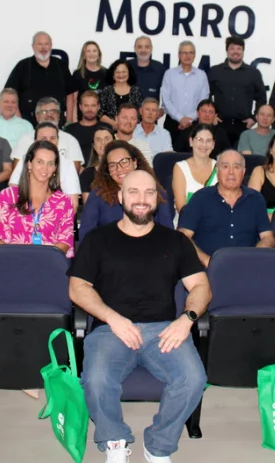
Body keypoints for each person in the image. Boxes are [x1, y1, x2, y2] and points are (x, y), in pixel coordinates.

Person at [69, 170, 211, 463]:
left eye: (149, 193)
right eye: (133, 192)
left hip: (164, 329)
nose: (141, 200)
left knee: (194, 379)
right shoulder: (97, 240)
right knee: (95, 380)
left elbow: (201, 287)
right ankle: (114, 440)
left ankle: (158, 446)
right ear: (120, 197)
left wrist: (187, 319)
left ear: (156, 199)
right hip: (112, 329)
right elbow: (78, 288)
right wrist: (113, 318)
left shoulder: (175, 241)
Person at [178, 150, 274, 266]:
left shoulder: (256, 199)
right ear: (217, 171)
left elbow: (268, 237)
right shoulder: (200, 198)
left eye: (237, 167)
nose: (231, 172)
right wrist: (206, 260)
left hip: (247, 265)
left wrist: (254, 256)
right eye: (225, 166)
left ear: (243, 172)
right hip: (207, 267)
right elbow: (183, 235)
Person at [0, 141, 75, 257]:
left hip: (48, 265)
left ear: (55, 168)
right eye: (40, 162)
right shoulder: (7, 196)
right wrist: (22, 261)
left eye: (50, 163)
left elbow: (64, 244)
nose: (45, 168)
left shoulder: (64, 202)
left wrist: (38, 262)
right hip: (10, 263)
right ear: (29, 164)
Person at [78, 141, 174, 243]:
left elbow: (168, 234)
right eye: (112, 165)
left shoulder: (156, 193)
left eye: (124, 162)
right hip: (109, 254)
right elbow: (86, 237)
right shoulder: (97, 196)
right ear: (108, 171)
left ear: (135, 163)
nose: (119, 169)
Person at [9, 122, 81, 213]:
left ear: (58, 140)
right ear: (35, 141)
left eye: (53, 138)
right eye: (43, 138)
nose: (48, 142)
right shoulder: (26, 159)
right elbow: (12, 193)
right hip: (24, 214)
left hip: (56, 217)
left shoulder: (67, 164)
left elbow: (73, 204)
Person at [5, 31, 75, 124]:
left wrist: (69, 121)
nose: (43, 47)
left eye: (46, 44)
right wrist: (20, 122)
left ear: (51, 46)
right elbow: (10, 94)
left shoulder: (61, 65)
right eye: (39, 44)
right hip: (29, 124)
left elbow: (70, 95)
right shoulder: (23, 66)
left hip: (58, 123)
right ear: (33, 46)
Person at [208, 36, 266, 147]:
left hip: (244, 126)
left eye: (239, 48)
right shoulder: (215, 71)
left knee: (240, 161)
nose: (235, 52)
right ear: (227, 51)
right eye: (232, 48)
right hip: (219, 125)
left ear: (243, 51)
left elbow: (261, 98)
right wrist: (211, 116)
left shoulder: (253, 73)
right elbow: (207, 95)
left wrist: (254, 118)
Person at [13, 97, 86, 173]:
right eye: (44, 112)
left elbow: (73, 172)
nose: (49, 115)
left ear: (59, 116)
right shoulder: (25, 139)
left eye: (53, 111)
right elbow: (17, 171)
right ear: (37, 116)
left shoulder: (71, 140)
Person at [161, 40, 210, 143]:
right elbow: (166, 100)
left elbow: (203, 101)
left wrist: (190, 119)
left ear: (195, 55)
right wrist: (180, 118)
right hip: (172, 123)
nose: (187, 56)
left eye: (191, 52)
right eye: (184, 52)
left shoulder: (201, 75)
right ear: (179, 55)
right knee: (170, 155)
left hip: (195, 123)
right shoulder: (169, 74)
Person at [172, 124, 219, 213]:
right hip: (186, 223)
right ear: (191, 141)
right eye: (199, 140)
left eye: (208, 141)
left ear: (213, 144)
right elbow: (181, 207)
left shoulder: (220, 167)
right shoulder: (180, 168)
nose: (204, 145)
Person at [65, 90, 109, 162]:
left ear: (98, 106)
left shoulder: (106, 128)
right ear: (80, 107)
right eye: (86, 105)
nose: (89, 109)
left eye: (93, 105)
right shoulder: (70, 130)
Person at [99, 59, 143, 129]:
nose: (121, 75)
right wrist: (113, 123)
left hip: (131, 131)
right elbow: (100, 113)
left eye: (124, 72)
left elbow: (140, 114)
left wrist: (127, 124)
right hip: (110, 130)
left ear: (129, 73)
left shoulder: (136, 91)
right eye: (118, 72)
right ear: (113, 74)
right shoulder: (106, 91)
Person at [70, 41, 108, 117]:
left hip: (103, 119)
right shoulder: (77, 74)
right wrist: (74, 121)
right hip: (83, 118)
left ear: (98, 55)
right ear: (84, 55)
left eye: (94, 51)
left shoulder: (106, 73)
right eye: (88, 51)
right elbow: (73, 101)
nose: (92, 54)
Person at [80, 127, 115, 205]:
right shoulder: (87, 174)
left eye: (107, 138)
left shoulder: (122, 170)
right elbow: (88, 206)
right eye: (98, 139)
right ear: (94, 146)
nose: (103, 142)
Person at [0, 88, 34, 152]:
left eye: (13, 102)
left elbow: (31, 150)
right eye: (6, 102)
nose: (9, 105)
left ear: (17, 105)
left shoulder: (27, 126)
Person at [130, 35, 166, 103]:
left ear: (151, 49)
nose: (143, 50)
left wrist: (163, 108)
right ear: (134, 48)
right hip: (130, 112)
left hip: (151, 112)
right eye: (140, 47)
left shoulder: (160, 68)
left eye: (147, 47)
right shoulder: (126, 67)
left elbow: (168, 91)